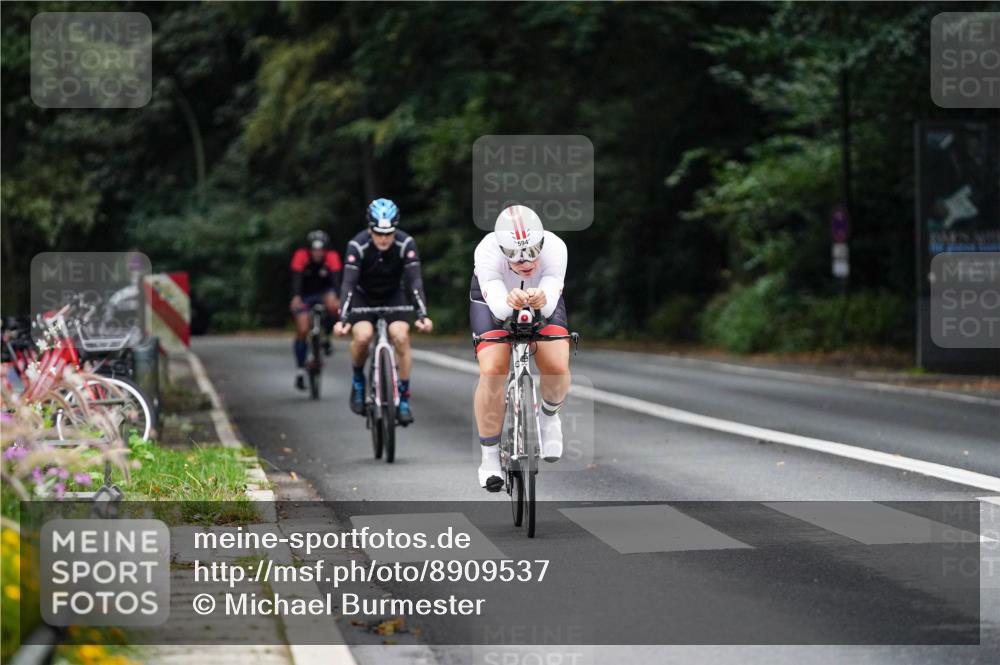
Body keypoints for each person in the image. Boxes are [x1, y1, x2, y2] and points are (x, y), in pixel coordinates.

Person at [471, 205, 570, 491]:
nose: (525, 261)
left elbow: (550, 300)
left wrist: (540, 297)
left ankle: (549, 418)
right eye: (513, 254)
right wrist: (509, 301)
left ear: (542, 241)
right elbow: (500, 307)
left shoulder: (556, 247)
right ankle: (489, 458)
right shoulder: (487, 250)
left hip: (542, 297)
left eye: (532, 251)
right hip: (492, 300)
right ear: (501, 248)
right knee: (492, 370)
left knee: (557, 363)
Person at [334, 198, 433, 425]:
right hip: (363, 296)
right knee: (362, 336)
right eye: (378, 233)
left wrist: (423, 316)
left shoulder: (405, 243)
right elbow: (348, 284)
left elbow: (414, 281)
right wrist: (342, 319)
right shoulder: (357, 245)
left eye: (389, 233)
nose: (384, 238)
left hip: (392, 296)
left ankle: (404, 398)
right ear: (370, 229)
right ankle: (358, 382)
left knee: (400, 336)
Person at [290, 230, 342, 390]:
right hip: (305, 294)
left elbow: (336, 279)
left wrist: (339, 298)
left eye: (320, 250)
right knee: (303, 329)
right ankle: (300, 371)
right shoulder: (301, 256)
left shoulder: (331, 257)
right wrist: (296, 296)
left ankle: (326, 337)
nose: (317, 254)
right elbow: (296, 278)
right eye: (314, 250)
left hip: (324, 292)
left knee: (334, 305)